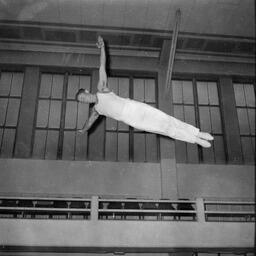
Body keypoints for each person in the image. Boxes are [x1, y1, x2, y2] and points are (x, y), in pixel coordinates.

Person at [76, 36, 213, 148]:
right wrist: (83, 130)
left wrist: (103, 48)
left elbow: (102, 65)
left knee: (165, 119)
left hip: (134, 107)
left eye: (83, 96)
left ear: (87, 91)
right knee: (163, 130)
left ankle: (198, 133)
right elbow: (89, 123)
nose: (84, 99)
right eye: (82, 100)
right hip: (131, 120)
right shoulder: (96, 110)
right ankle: (195, 140)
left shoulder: (101, 89)